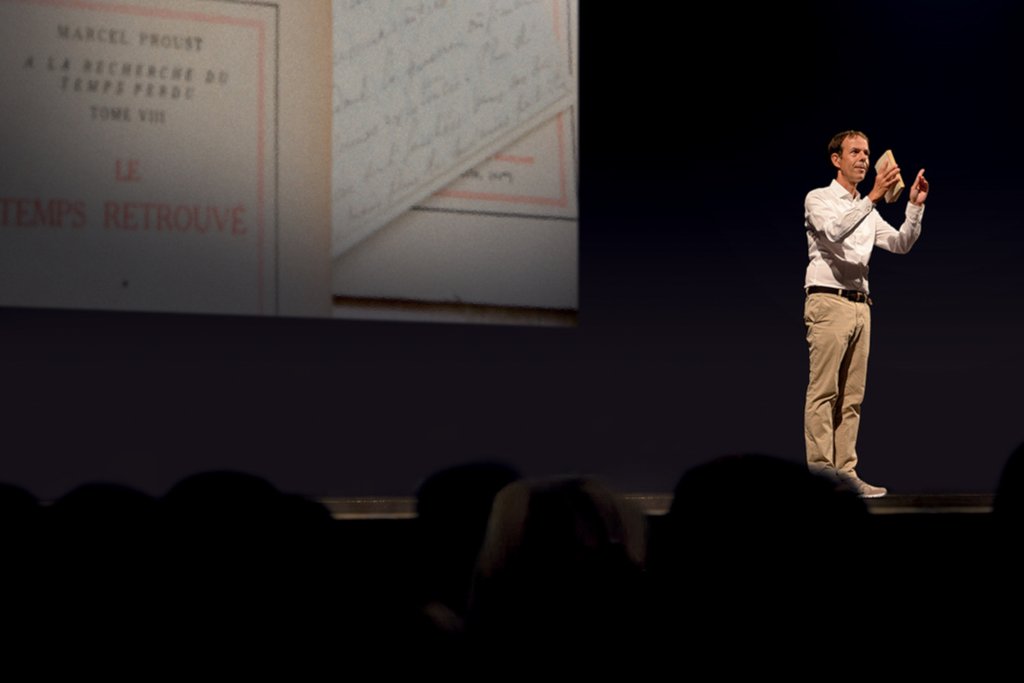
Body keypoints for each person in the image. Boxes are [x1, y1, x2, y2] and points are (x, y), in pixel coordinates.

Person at [803, 130, 929, 498]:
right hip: (828, 300)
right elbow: (833, 232)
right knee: (824, 393)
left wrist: (914, 206)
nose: (863, 158)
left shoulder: (867, 210)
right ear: (836, 159)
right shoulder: (819, 198)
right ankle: (821, 476)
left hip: (862, 305)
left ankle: (846, 473)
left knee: (852, 397)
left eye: (867, 153)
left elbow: (901, 244)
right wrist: (872, 197)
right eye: (855, 152)